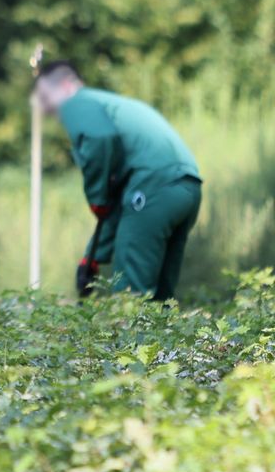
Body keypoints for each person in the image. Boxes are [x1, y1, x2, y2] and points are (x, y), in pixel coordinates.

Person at [34, 61, 202, 300]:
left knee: (129, 296)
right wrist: (92, 258)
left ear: (65, 85)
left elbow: (98, 139)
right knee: (161, 299)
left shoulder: (77, 102)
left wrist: (95, 196)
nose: (44, 107)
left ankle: (130, 335)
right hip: (187, 187)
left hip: (153, 184)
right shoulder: (109, 105)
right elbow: (116, 206)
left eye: (45, 96)